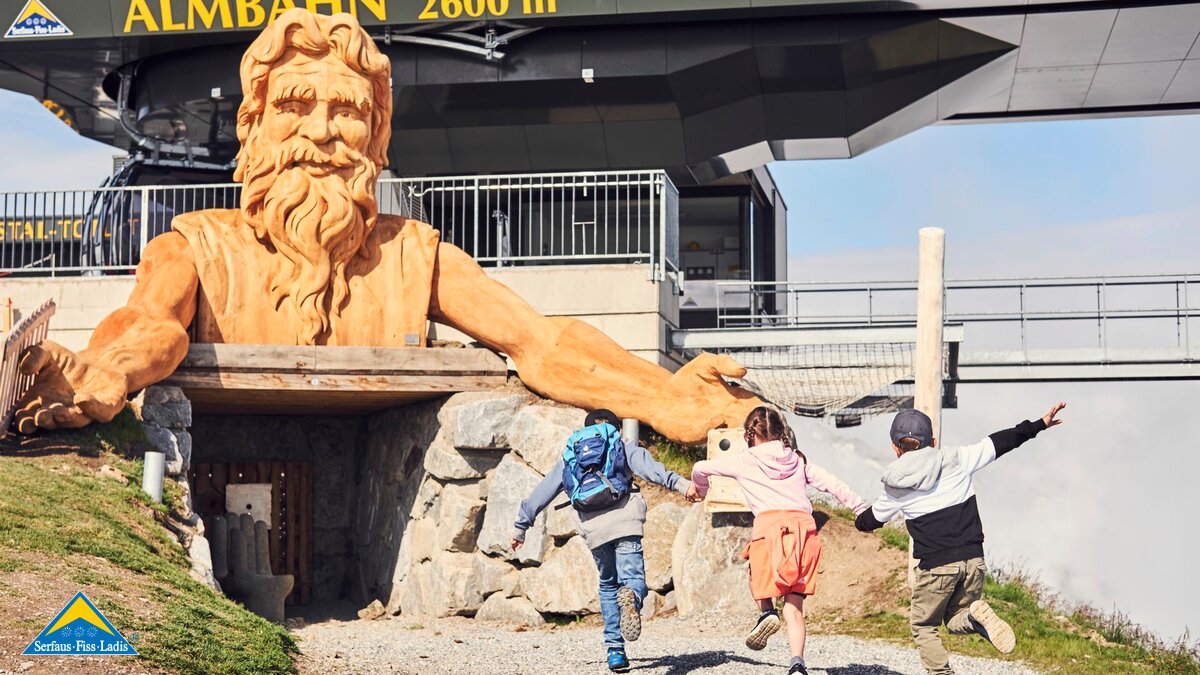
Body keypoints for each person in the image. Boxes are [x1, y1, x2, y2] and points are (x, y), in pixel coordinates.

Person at [12, 8, 759, 445]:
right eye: (297, 106)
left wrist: (660, 395)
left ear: (376, 138)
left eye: (347, 111)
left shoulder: (415, 256)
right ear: (255, 126)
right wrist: (102, 372)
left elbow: (539, 339)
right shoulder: (195, 246)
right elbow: (150, 326)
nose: (322, 130)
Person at [854, 402, 1067, 675]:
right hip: (974, 560)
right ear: (932, 441)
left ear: (894, 447)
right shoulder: (957, 458)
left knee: (923, 625)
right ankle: (977, 616)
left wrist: (859, 518)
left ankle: (941, 672)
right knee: (956, 619)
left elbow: (872, 521)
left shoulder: (895, 484)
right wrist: (1038, 425)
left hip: (937, 567)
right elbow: (1000, 442)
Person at [509, 409, 700, 672]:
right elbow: (652, 470)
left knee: (608, 583)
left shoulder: (572, 453)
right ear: (617, 428)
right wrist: (682, 485)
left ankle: (615, 652)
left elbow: (544, 490)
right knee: (631, 580)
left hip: (593, 528)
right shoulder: (623, 445)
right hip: (625, 521)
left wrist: (521, 527)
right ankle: (631, 598)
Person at [691, 406, 868, 675]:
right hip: (804, 534)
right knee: (795, 606)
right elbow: (833, 484)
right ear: (780, 432)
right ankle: (797, 663)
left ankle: (766, 612)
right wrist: (861, 509)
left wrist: (700, 489)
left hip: (769, 529)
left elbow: (700, 467)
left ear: (749, 434)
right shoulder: (797, 459)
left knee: (757, 575)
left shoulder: (744, 460)